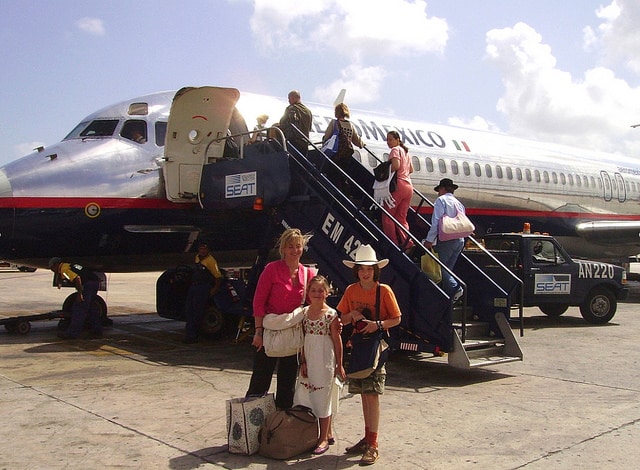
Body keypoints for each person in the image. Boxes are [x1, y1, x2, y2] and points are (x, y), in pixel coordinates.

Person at [337, 244, 402, 466]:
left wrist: (377, 325)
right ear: (357, 271)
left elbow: (396, 318)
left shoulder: (384, 291)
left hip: (376, 349)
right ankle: (368, 439)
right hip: (359, 349)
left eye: (369, 269)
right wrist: (353, 314)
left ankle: (373, 444)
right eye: (362, 269)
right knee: (365, 395)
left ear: (376, 271)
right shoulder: (350, 291)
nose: (366, 272)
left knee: (372, 395)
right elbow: (342, 318)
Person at [246, 228, 317, 410]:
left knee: (287, 385)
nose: (294, 250)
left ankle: (280, 428)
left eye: (298, 246)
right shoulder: (272, 269)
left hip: (293, 335)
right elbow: (258, 302)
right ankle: (251, 427)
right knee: (260, 381)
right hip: (270, 332)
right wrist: (258, 332)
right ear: (283, 249)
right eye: (290, 247)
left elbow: (314, 304)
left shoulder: (308, 274)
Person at [293, 275, 346, 455]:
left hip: (325, 361)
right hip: (310, 358)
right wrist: (303, 361)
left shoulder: (330, 315)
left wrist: (339, 365)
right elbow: (302, 339)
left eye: (320, 290)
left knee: (323, 398)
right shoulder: (305, 313)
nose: (317, 294)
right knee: (306, 395)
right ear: (308, 292)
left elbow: (337, 341)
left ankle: (323, 437)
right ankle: (319, 432)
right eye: (313, 290)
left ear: (327, 293)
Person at [422, 178, 466, 301]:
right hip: (460, 240)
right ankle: (449, 297)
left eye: (439, 190)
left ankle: (455, 288)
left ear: (442, 189)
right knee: (448, 268)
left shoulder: (441, 201)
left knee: (440, 268)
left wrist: (429, 240)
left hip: (447, 239)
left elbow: (436, 222)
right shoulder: (458, 203)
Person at [48, 257, 103, 339]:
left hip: (87, 285)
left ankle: (72, 333)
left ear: (56, 265)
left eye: (52, 267)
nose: (52, 270)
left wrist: (80, 294)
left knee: (79, 308)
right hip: (94, 282)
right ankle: (97, 329)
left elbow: (77, 278)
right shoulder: (68, 265)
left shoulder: (64, 269)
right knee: (91, 308)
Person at [183, 242, 223, 343]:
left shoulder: (211, 261)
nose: (202, 251)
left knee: (197, 312)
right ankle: (190, 334)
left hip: (202, 288)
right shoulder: (197, 257)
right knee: (189, 311)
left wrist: (214, 289)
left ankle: (193, 336)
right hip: (194, 287)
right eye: (201, 249)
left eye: (204, 249)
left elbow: (218, 276)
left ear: (208, 250)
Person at [322, 103, 365, 195]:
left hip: (336, 154)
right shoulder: (350, 125)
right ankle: (345, 193)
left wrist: (324, 142)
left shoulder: (334, 123)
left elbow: (327, 136)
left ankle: (336, 195)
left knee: (333, 174)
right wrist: (362, 144)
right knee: (343, 175)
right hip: (347, 155)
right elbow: (356, 140)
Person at [381, 130, 414, 250]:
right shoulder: (406, 152)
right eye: (387, 140)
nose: (388, 142)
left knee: (387, 215)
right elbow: (411, 170)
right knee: (401, 217)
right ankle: (408, 242)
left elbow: (395, 166)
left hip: (399, 185)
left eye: (390, 139)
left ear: (397, 140)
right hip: (409, 186)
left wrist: (384, 171)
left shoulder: (395, 150)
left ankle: (393, 242)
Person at [277, 90, 313, 156]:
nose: (289, 100)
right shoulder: (308, 111)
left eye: (289, 98)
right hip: (304, 142)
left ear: (293, 98)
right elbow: (309, 127)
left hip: (293, 141)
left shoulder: (291, 108)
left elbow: (283, 123)